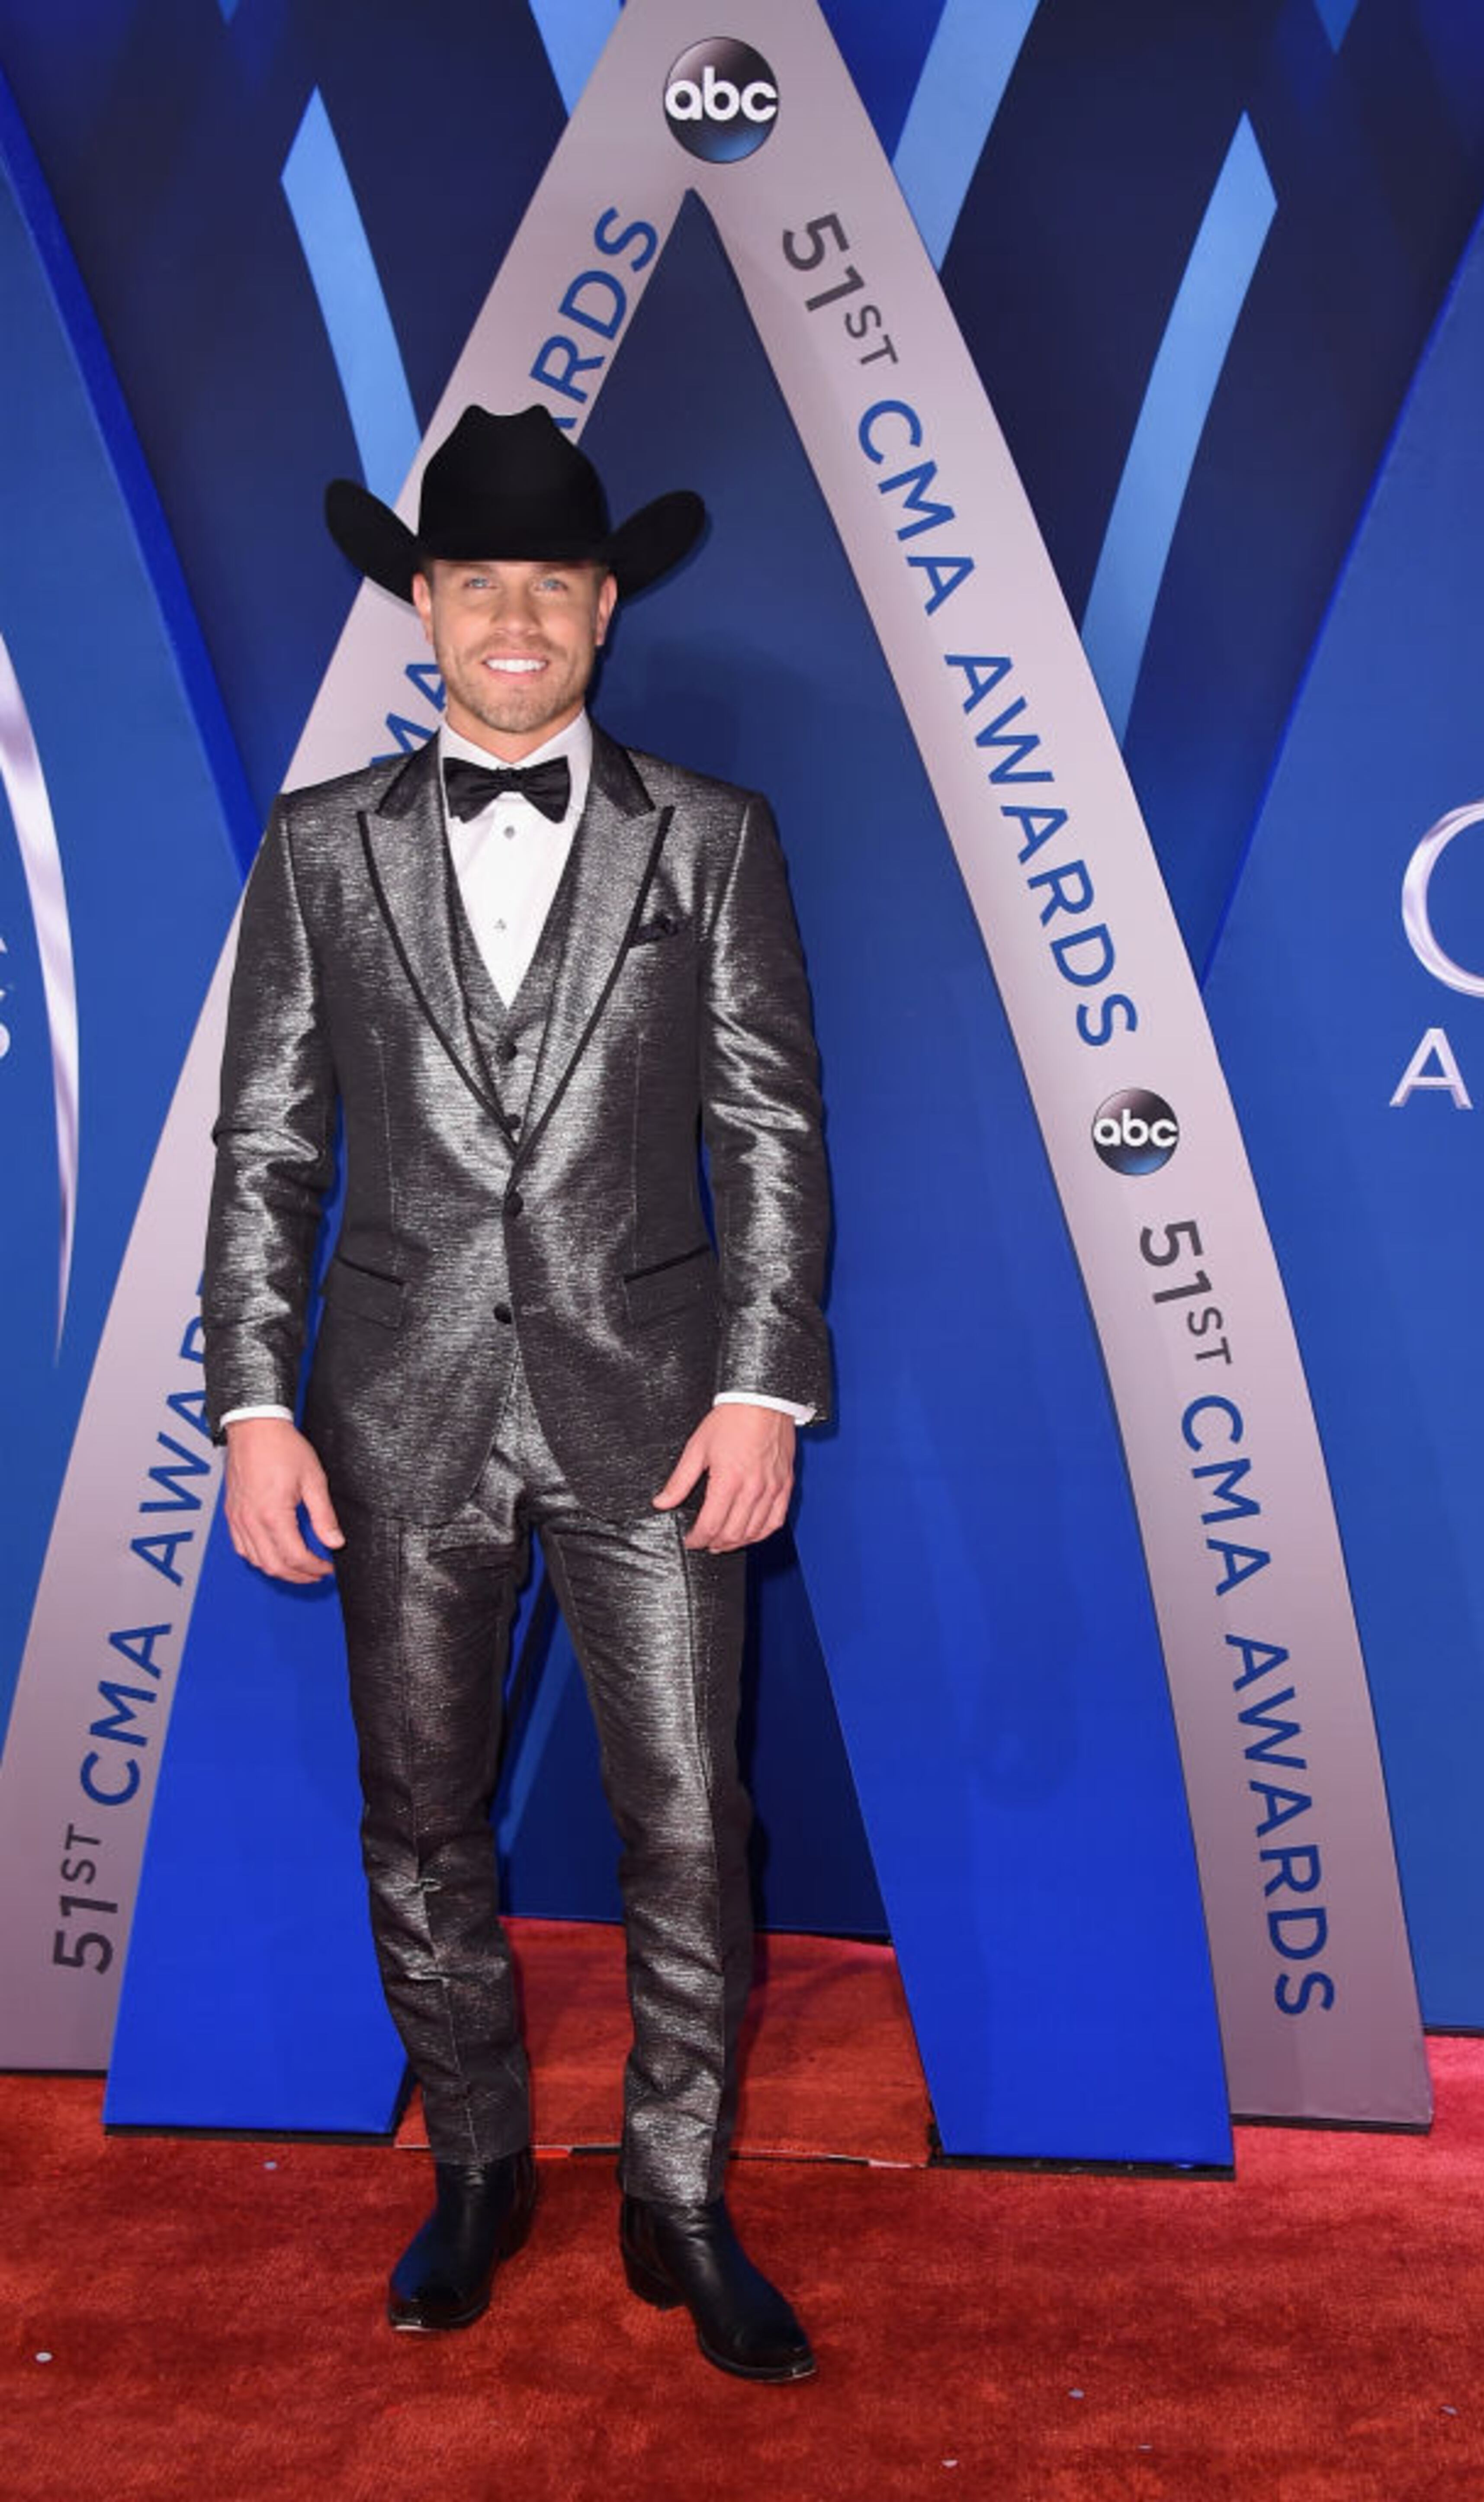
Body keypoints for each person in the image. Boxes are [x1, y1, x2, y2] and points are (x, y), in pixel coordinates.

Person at [203, 404, 831, 2382]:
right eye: (475, 580)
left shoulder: (710, 836)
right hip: (389, 1407)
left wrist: (763, 1389)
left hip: (655, 1404)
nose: (512, 618)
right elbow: (266, 1155)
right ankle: (478, 2166)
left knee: (689, 1825)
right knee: (419, 1815)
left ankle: (679, 2191)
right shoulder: (318, 848)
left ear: (605, 603)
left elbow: (773, 1130)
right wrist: (251, 1402)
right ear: (422, 602)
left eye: (549, 582)